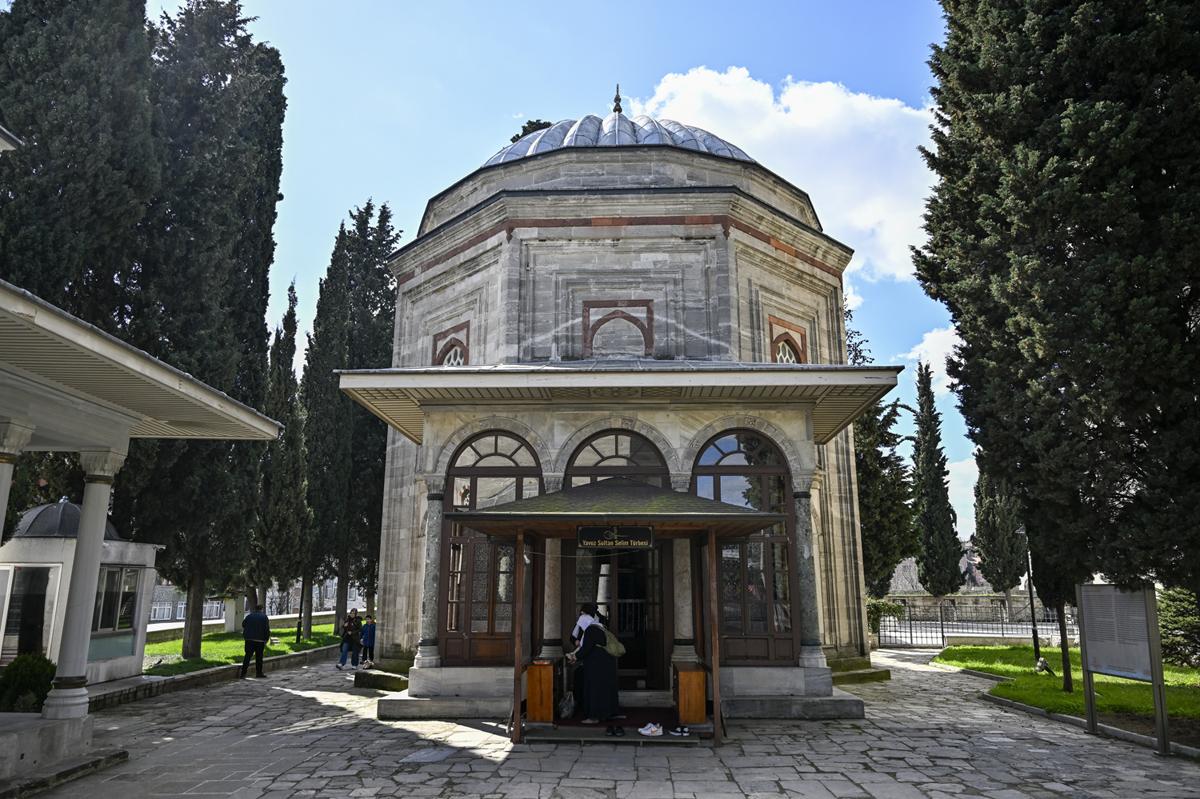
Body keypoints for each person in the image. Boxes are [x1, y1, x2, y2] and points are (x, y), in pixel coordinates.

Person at [567, 604, 619, 728]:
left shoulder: (590, 630)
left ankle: (593, 717)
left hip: (596, 666)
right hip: (605, 664)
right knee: (605, 689)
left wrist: (574, 657)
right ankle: (608, 713)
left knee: (593, 690)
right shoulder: (599, 627)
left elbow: (586, 649)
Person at [240, 604, 270, 679]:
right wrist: (266, 639)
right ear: (261, 609)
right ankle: (259, 673)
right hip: (260, 640)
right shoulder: (264, 617)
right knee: (259, 657)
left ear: (255, 609)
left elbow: (243, 624)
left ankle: (243, 673)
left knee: (247, 656)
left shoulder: (249, 616)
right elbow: (266, 629)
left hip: (249, 639)